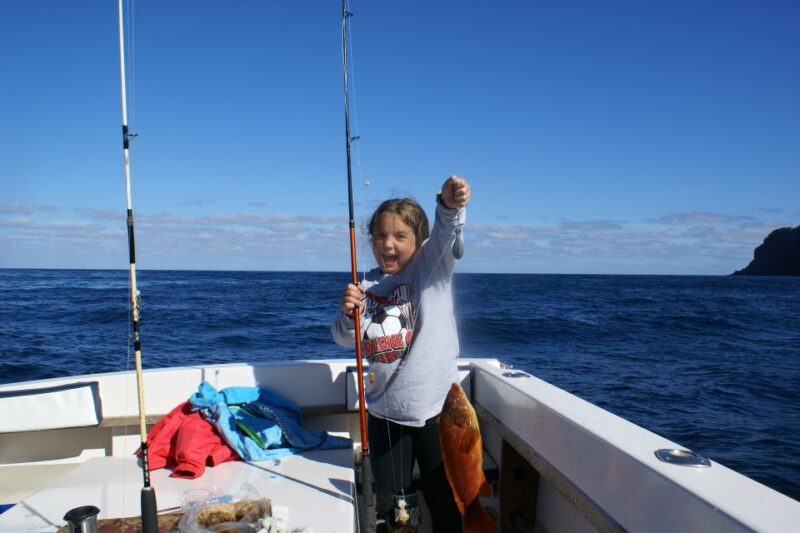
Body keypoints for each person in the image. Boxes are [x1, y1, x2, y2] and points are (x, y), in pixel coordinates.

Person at [331, 175, 471, 532]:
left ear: (420, 241)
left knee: (445, 498)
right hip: (383, 414)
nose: (387, 244)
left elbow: (445, 231)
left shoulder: (431, 269)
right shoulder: (366, 287)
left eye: (399, 236)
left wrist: (450, 206)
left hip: (436, 414)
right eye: (379, 236)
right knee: (394, 506)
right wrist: (349, 315)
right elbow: (345, 340)